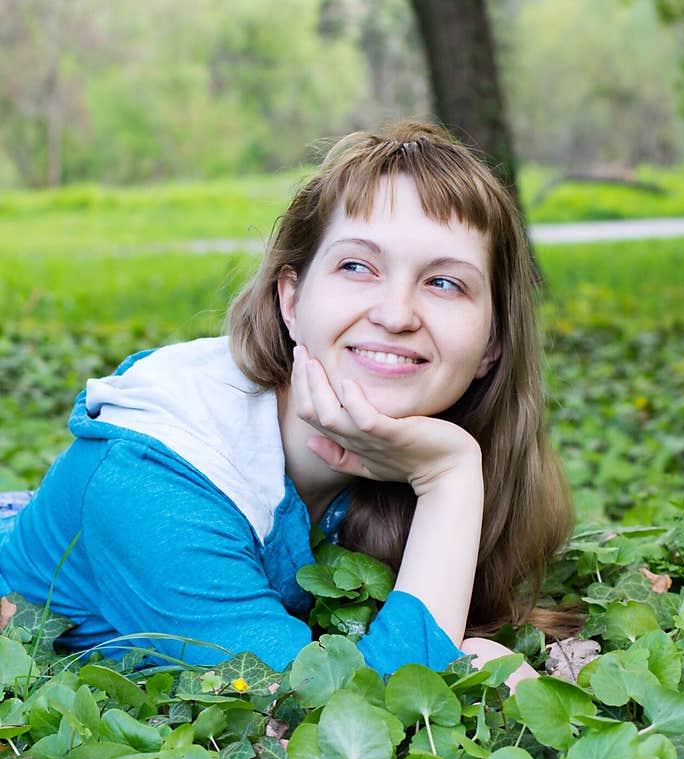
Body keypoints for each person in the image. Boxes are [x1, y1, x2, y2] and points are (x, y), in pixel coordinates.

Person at [0, 119, 577, 687]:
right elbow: (334, 712)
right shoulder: (152, 489)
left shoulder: (425, 441)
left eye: (445, 283)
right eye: (357, 266)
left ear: (491, 344)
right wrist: (449, 476)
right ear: (292, 299)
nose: (396, 314)